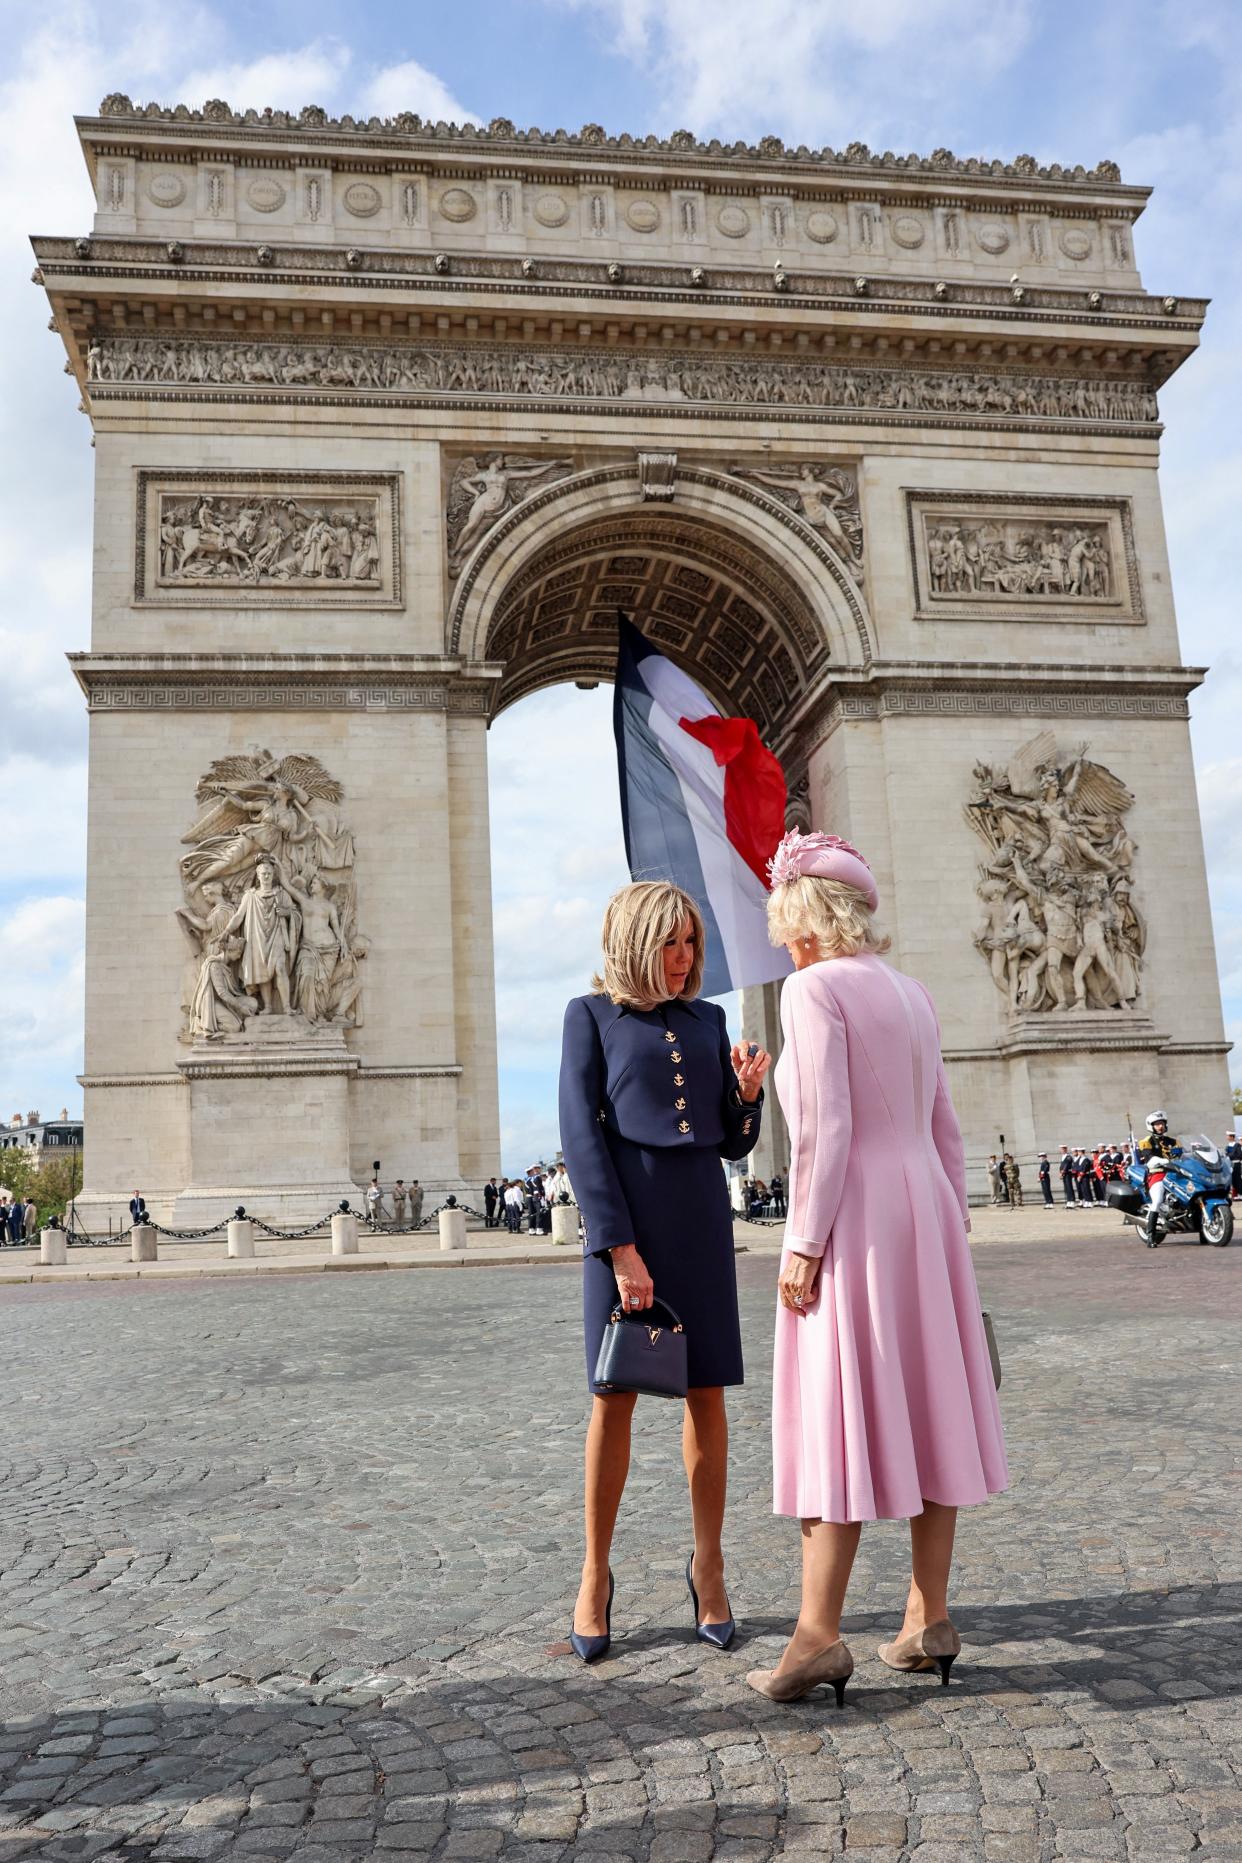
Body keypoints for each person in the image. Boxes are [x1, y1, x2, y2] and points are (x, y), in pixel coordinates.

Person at [746, 829, 1007, 1705]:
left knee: (840, 1413)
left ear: (803, 918)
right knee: (935, 1406)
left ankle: (818, 1636)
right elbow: (946, 1126)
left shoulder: (813, 990)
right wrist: (950, 1226)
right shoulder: (914, 992)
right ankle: (927, 1616)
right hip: (925, 1210)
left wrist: (804, 1242)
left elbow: (823, 1127)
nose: (781, 938)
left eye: (783, 921)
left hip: (853, 1213)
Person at [559, 879, 769, 1663]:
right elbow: (581, 1135)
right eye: (669, 943)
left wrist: (746, 1097)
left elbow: (730, 1142)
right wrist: (618, 1248)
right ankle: (594, 1571)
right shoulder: (590, 1016)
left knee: (706, 1395)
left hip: (700, 1223)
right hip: (628, 1233)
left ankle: (708, 1565)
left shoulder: (710, 1018)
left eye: (691, 943)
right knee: (614, 1398)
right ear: (635, 940)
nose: (684, 960)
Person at [1137, 1110, 1180, 1246]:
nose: (1160, 1127)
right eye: (1157, 1124)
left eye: (1162, 1123)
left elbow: (1183, 1157)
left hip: (1175, 1174)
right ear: (1151, 1126)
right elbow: (1149, 1160)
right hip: (1157, 1174)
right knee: (1157, 1201)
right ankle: (1151, 1235)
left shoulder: (1174, 1141)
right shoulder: (1146, 1141)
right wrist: (1163, 1161)